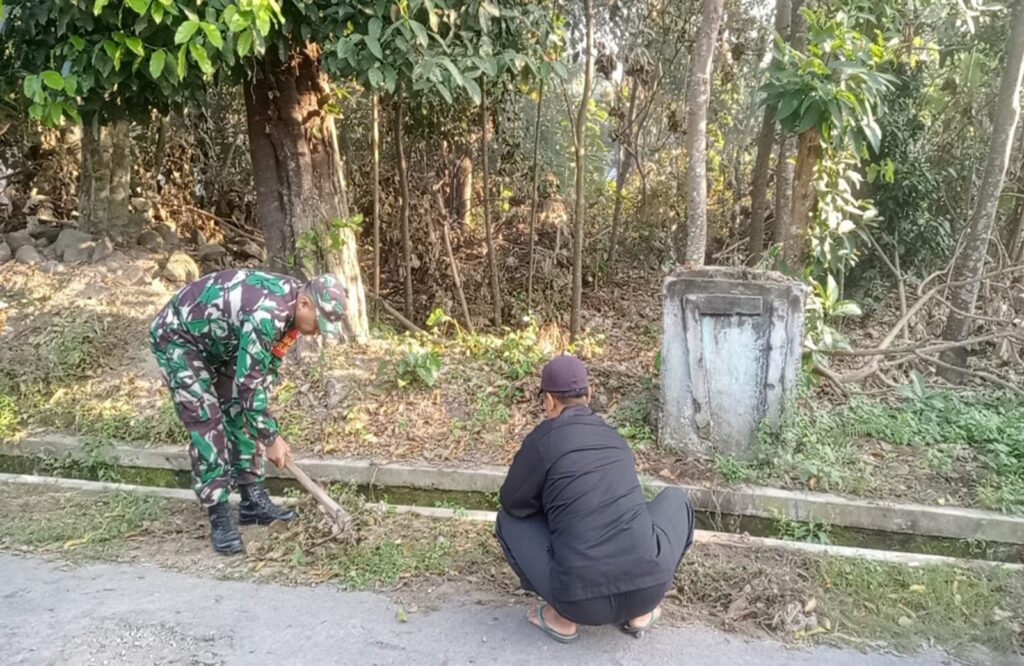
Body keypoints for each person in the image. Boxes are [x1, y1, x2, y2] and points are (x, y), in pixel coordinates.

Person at [149, 269, 351, 555]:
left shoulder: (292, 313)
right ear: (305, 304)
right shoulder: (267, 314)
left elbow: (262, 372)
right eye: (320, 323)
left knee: (240, 411)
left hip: (220, 344)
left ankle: (251, 501)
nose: (318, 332)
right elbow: (249, 384)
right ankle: (218, 512)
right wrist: (270, 437)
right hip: (180, 339)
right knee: (207, 422)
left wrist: (262, 426)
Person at [496, 355, 695, 643]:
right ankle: (640, 614)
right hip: (649, 588)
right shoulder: (615, 438)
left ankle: (560, 618)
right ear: (588, 395)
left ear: (549, 401)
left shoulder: (543, 440)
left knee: (508, 520)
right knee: (676, 498)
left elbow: (513, 502)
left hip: (578, 603)